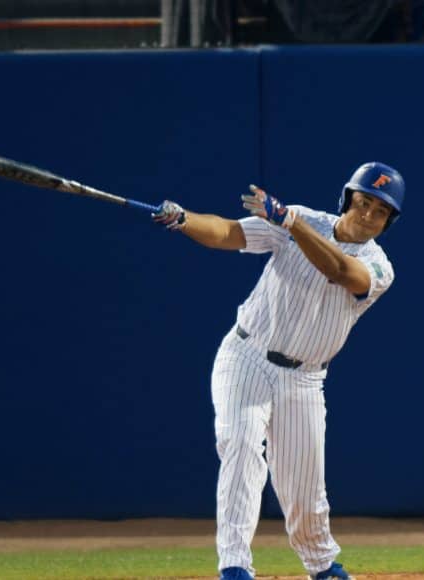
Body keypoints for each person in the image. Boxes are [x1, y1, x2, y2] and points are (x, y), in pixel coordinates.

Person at [151, 162, 405, 580]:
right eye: (363, 203)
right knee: (241, 445)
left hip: (305, 378)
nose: (368, 215)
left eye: (380, 211)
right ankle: (234, 565)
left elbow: (342, 271)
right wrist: (184, 219)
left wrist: (289, 221)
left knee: (304, 487)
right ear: (348, 199)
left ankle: (321, 563)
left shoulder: (380, 267)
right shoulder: (301, 219)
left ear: (388, 221)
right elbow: (229, 232)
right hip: (247, 355)